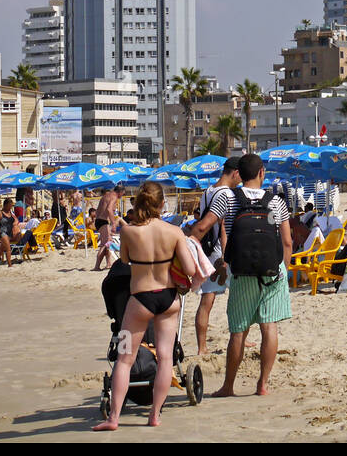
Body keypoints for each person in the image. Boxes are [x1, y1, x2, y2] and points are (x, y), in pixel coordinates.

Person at [93, 182, 195, 431]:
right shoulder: (174, 231)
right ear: (162, 204)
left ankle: (114, 418)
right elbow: (190, 269)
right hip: (169, 299)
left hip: (140, 301)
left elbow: (125, 260)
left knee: (124, 358)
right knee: (165, 359)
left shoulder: (129, 232)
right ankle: (155, 415)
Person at [191, 153, 292, 397]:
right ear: (261, 173)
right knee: (269, 327)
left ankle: (228, 387)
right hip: (273, 272)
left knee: (239, 330)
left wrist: (186, 245)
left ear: (239, 174)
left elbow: (203, 227)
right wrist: (284, 272)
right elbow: (287, 242)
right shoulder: (276, 201)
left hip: (241, 270)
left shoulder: (227, 197)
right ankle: (263, 385)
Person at [193, 157, 241, 357]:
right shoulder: (227, 194)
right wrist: (225, 256)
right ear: (236, 173)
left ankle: (201, 346)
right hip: (221, 251)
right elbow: (223, 226)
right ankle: (238, 340)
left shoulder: (208, 191)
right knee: (236, 298)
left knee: (207, 299)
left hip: (208, 250)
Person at [93, 188, 120, 270]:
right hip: (103, 221)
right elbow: (109, 210)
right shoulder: (110, 198)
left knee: (107, 243)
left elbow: (97, 212)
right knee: (105, 244)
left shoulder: (102, 199)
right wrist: (113, 223)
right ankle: (97, 266)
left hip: (99, 221)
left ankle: (108, 263)